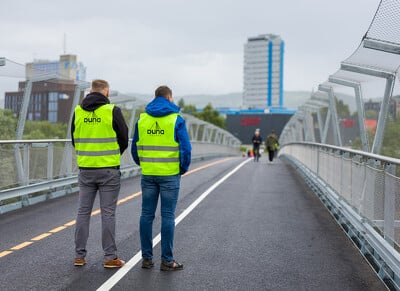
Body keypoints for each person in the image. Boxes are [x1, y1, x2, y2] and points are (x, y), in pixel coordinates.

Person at [131, 85, 191, 271]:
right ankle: (167, 261)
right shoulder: (176, 120)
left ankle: (147, 259)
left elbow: (135, 148)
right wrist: (182, 168)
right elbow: (186, 149)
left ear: (155, 97)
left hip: (148, 173)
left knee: (146, 215)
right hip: (170, 174)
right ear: (169, 97)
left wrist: (144, 164)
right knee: (167, 216)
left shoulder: (142, 119)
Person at [71, 79, 128, 268]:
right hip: (109, 170)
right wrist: (112, 155)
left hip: (86, 169)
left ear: (91, 91)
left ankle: (79, 256)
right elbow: (124, 138)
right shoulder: (112, 111)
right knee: (108, 214)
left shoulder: (78, 111)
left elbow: (74, 139)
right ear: (106, 92)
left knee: (83, 212)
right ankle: (110, 258)